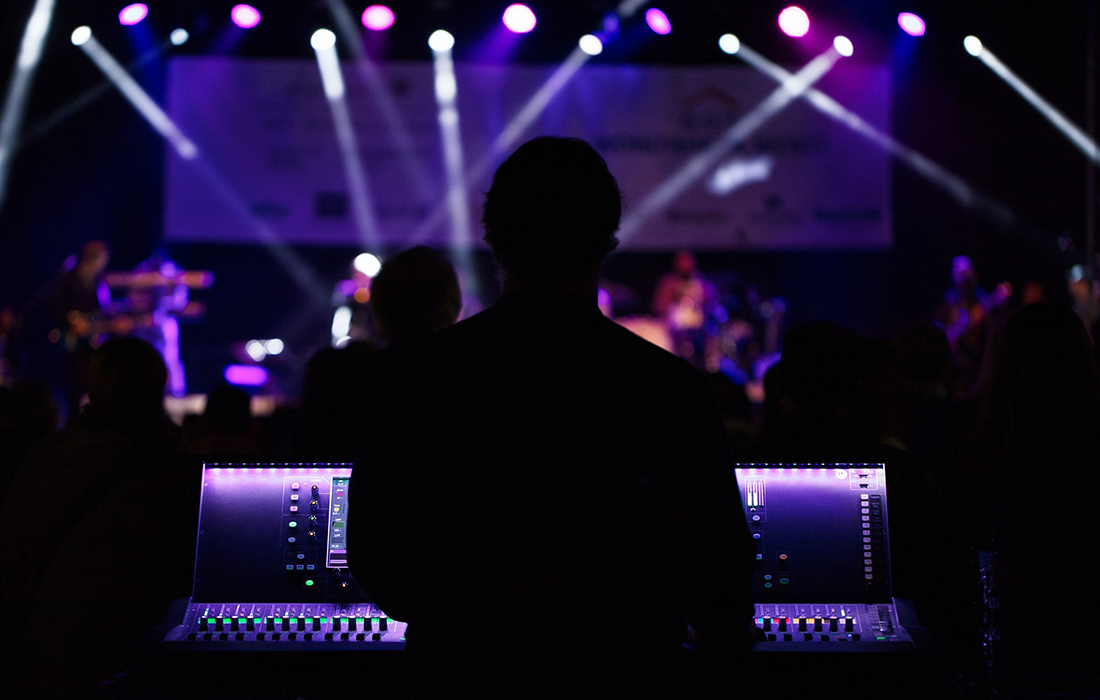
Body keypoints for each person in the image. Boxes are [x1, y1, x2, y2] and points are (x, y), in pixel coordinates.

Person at [348, 137, 753, 694]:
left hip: (456, 675)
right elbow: (721, 581)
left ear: (493, 239)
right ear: (608, 240)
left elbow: (376, 556)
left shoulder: (416, 377)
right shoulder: (672, 389)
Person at [652, 250, 719, 369]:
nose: (685, 265)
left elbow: (713, 304)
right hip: (673, 330)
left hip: (699, 331)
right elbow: (659, 306)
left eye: (688, 262)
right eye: (682, 262)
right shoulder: (669, 283)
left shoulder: (701, 282)